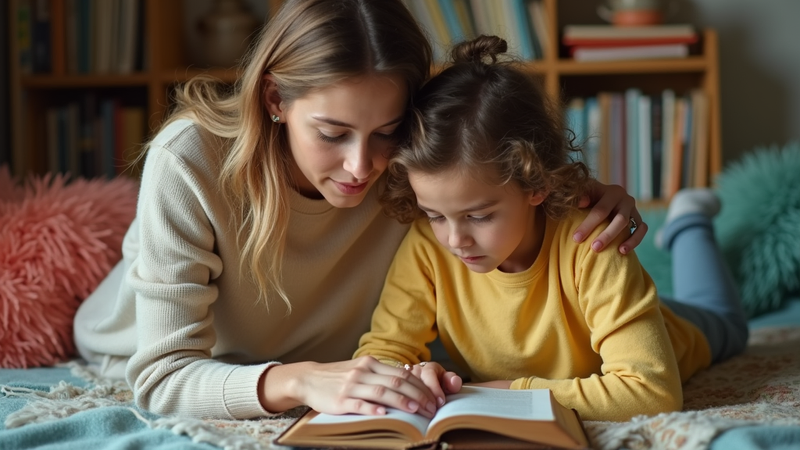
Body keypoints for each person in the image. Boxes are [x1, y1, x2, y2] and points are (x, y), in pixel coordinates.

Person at [74, 1, 647, 421]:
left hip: (333, 363)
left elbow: (487, 154)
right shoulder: (190, 161)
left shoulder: (403, 164)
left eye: (387, 132)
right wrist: (301, 382)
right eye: (332, 133)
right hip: (150, 350)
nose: (360, 167)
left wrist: (585, 193)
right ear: (276, 99)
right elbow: (162, 376)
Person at [355, 36, 749, 422]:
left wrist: (496, 393)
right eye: (436, 215)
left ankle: (689, 218)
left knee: (728, 321)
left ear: (536, 183)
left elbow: (651, 392)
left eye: (479, 216)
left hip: (678, 333)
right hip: (603, 320)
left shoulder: (591, 242)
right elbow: (385, 350)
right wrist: (404, 378)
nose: (454, 240)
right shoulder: (427, 244)